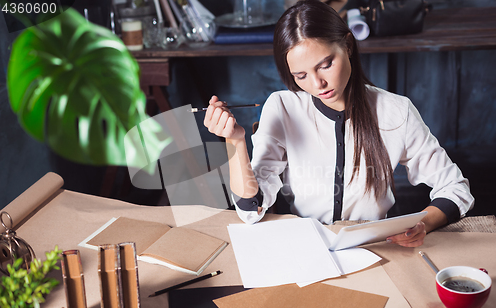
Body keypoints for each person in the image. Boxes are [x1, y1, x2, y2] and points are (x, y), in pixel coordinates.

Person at [203, 0, 474, 247]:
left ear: (347, 45)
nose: (317, 84)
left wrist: (423, 223)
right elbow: (252, 210)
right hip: (308, 248)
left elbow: (455, 188)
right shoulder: (283, 107)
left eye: (325, 64)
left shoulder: (395, 110)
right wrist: (235, 141)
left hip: (379, 247)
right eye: (301, 75)